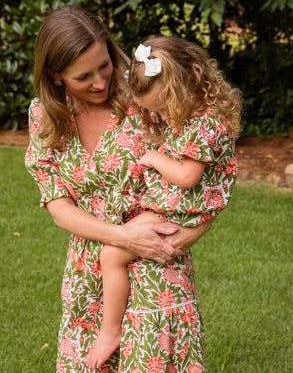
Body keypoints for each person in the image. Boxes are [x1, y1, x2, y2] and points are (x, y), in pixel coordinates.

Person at [25, 5, 214, 373]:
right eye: (83, 76)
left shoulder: (148, 95)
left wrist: (188, 233)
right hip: (89, 270)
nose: (100, 82)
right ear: (55, 74)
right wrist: (124, 237)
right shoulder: (45, 117)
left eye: (105, 65)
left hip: (157, 258)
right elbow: (59, 206)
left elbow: (207, 170)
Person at [85, 37, 242, 369]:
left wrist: (154, 157)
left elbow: (187, 177)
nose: (159, 115)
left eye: (161, 107)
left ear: (188, 82)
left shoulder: (203, 125)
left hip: (174, 211)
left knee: (111, 255)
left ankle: (110, 330)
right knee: (115, 253)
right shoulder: (201, 114)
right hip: (173, 209)